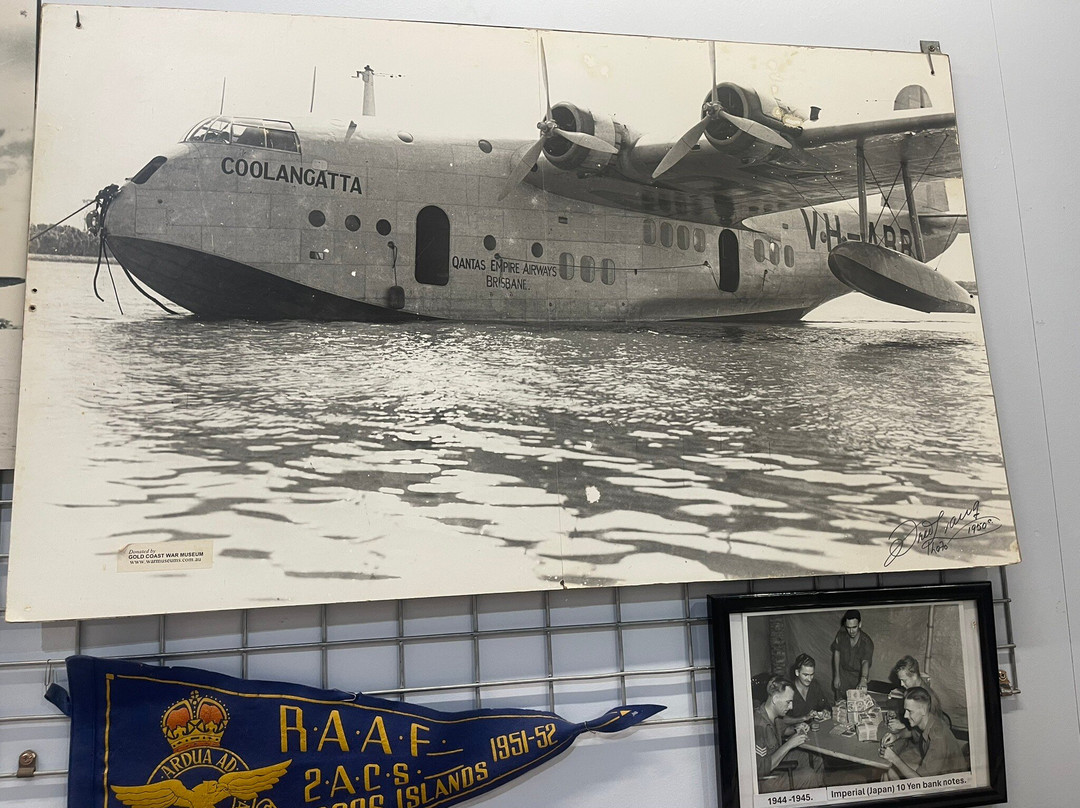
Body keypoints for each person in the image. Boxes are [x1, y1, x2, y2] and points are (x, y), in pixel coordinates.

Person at [754, 676, 824, 793]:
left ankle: (819, 795)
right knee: (808, 775)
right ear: (775, 699)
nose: (791, 706)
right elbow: (761, 769)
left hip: (776, 759)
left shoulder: (772, 715)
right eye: (788, 702)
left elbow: (782, 731)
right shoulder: (759, 725)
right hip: (766, 781)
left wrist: (796, 728)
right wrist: (789, 744)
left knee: (816, 758)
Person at [881, 687, 968, 779]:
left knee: (893, 769)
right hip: (937, 770)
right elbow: (912, 732)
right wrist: (896, 735)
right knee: (890, 771)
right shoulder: (927, 720)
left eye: (910, 711)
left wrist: (894, 758)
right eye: (905, 710)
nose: (905, 715)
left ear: (923, 710)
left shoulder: (937, 738)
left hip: (950, 781)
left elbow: (921, 782)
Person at [831, 609, 874, 698]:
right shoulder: (841, 634)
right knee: (839, 705)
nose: (851, 631)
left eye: (854, 627)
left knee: (856, 704)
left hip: (857, 676)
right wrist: (837, 675)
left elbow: (865, 661)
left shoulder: (867, 642)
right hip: (843, 675)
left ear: (860, 624)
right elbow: (837, 652)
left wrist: (863, 679)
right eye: (848, 627)